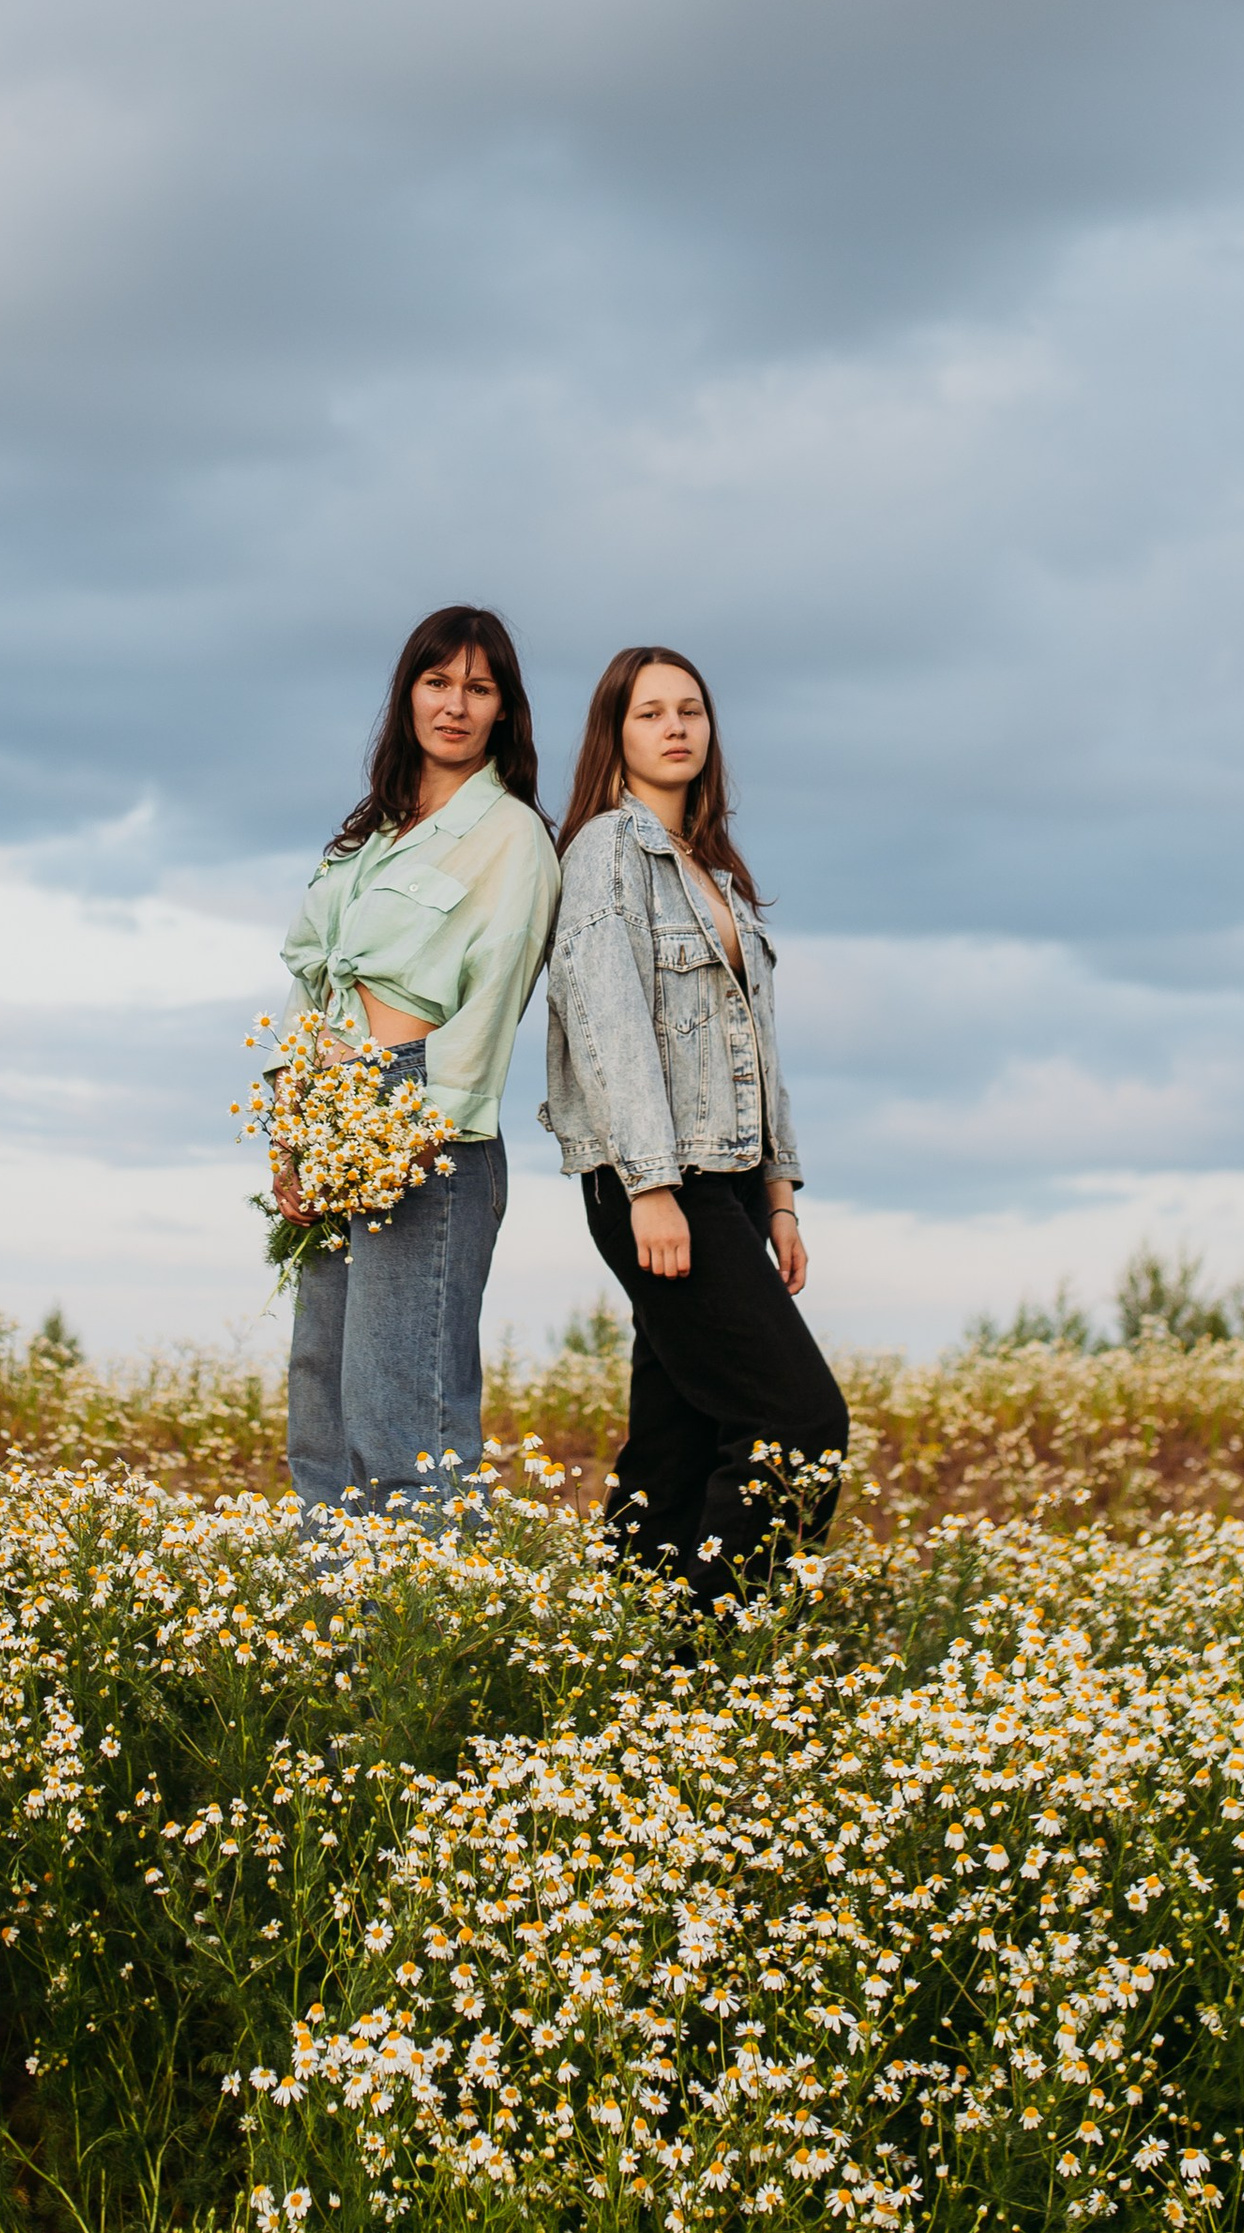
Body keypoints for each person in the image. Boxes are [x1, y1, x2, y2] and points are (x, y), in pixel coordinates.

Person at [543, 645, 848, 1607]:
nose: (675, 726)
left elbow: (761, 1046)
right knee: (798, 1423)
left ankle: (624, 1650)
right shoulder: (605, 853)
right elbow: (608, 1024)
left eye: (691, 709)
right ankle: (715, 1655)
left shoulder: (714, 871)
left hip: (730, 1183)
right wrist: (652, 1185)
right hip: (658, 1185)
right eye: (650, 712)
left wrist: (780, 1196)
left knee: (673, 1449)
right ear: (615, 734)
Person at [278, 605, 560, 1519]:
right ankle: (330, 1604)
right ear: (408, 695)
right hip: (332, 1106)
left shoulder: (512, 836)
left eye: (478, 688)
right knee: (323, 1410)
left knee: (402, 1412)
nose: (455, 704)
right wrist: (292, 1128)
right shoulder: (370, 838)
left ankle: (426, 1610)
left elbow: (495, 995)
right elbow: (312, 986)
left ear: (504, 709)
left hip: (424, 1111)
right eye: (437, 682)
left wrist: (420, 1129)